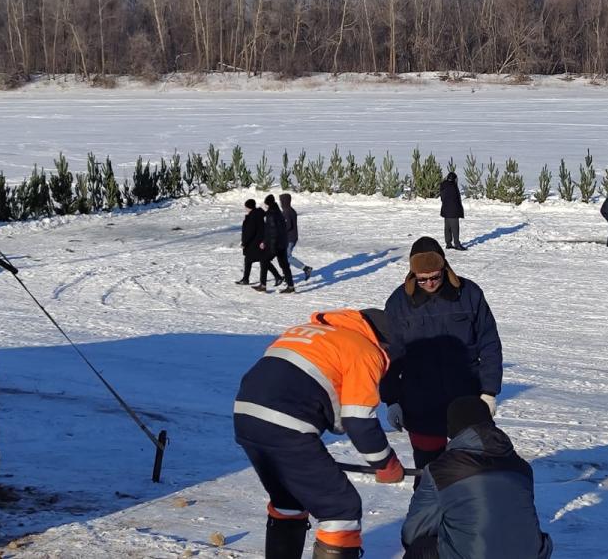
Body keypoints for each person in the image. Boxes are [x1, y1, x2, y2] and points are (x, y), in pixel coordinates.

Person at [234, 307, 405, 559]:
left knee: (289, 501)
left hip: (246, 415)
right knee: (341, 509)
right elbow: (358, 420)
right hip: (287, 425)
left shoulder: (309, 332)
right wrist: (386, 463)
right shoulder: (364, 349)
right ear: (384, 342)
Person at [382, 236, 502, 483]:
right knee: (429, 474)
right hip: (421, 402)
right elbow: (391, 355)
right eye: (422, 278)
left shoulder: (469, 294)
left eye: (434, 276)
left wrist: (489, 391)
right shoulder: (398, 302)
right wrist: (391, 399)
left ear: (445, 268)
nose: (429, 283)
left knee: (471, 469)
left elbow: (489, 343)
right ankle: (426, 520)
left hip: (464, 396)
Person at [401, 395, 553, 559]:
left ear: (453, 428)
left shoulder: (442, 470)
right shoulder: (522, 468)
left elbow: (414, 531)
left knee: (419, 548)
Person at [237, 198, 279, 287]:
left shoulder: (252, 216)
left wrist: (244, 243)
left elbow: (250, 232)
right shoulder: (257, 213)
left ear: (248, 207)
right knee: (254, 260)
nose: (245, 208)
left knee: (262, 261)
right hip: (258, 242)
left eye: (246, 207)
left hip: (254, 243)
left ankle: (277, 277)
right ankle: (245, 279)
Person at [262, 194, 294, 293]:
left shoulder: (270, 214)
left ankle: (263, 285)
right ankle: (290, 286)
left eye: (265, 204)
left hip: (275, 244)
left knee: (264, 260)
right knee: (285, 265)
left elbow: (271, 232)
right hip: (282, 243)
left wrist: (268, 244)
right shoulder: (279, 212)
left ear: (268, 204)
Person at [279, 193, 313, 282]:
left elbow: (288, 225)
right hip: (291, 237)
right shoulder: (291, 210)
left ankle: (306, 268)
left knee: (287, 257)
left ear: (284, 201)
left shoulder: (286, 211)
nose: (280, 203)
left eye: (281, 201)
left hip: (290, 238)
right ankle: (286, 275)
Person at [438, 171, 466, 251]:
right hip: (453, 211)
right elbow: (456, 200)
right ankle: (457, 244)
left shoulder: (443, 185)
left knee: (447, 228)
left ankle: (448, 243)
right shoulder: (453, 187)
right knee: (455, 229)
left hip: (446, 210)